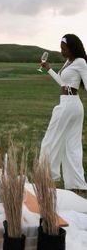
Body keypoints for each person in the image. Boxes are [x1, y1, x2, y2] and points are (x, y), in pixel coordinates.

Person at [39, 34, 87, 191]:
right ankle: (76, 184)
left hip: (70, 105)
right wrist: (50, 70)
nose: (61, 51)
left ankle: (47, 177)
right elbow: (63, 83)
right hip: (68, 104)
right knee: (70, 145)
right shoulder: (69, 61)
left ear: (72, 47)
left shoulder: (80, 62)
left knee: (50, 140)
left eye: (64, 48)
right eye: (61, 48)